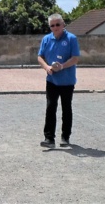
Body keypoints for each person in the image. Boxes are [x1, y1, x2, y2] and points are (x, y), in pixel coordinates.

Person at [37, 14, 80, 148]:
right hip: (52, 80)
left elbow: (75, 58)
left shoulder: (71, 38)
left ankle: (65, 137)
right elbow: (40, 56)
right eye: (52, 25)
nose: (55, 27)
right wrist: (47, 67)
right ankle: (49, 138)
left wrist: (62, 66)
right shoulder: (46, 39)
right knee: (50, 108)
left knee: (66, 109)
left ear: (63, 24)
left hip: (67, 81)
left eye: (57, 24)